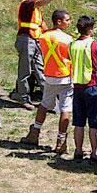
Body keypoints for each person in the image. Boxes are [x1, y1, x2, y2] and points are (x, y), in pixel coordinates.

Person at [20, 10, 74, 154]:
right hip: (65, 76)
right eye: (67, 20)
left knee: (44, 104)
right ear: (59, 22)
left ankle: (34, 133)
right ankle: (61, 141)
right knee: (65, 108)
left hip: (49, 74)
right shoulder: (68, 39)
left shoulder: (43, 37)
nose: (69, 23)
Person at [14, 0, 66, 110]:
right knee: (25, 70)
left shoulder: (36, 10)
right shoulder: (27, 4)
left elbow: (42, 25)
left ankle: (49, 99)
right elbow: (40, 3)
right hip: (26, 39)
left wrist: (51, 36)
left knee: (41, 69)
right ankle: (24, 98)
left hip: (36, 40)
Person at [69, 15, 97, 163]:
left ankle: (78, 151)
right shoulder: (95, 45)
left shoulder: (72, 45)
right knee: (95, 122)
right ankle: (96, 153)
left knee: (78, 122)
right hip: (93, 85)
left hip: (77, 86)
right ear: (90, 29)